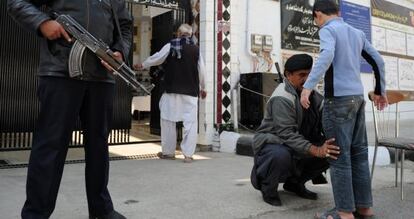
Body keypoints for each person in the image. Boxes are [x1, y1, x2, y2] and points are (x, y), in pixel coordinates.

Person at [7, 0, 132, 218]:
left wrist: (120, 52)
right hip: (60, 72)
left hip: (101, 78)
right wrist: (43, 22)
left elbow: (125, 26)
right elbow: (16, 2)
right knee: (50, 147)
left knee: (98, 147)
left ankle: (101, 210)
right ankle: (36, 214)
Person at [300, 1, 388, 218]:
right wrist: (380, 90)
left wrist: (307, 88)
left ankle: (344, 213)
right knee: (358, 154)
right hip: (358, 100)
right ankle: (364, 207)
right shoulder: (357, 32)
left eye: (316, 19)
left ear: (318, 14)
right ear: (338, 13)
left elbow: (326, 55)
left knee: (338, 157)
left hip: (338, 101)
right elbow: (378, 61)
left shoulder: (327, 30)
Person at [251, 54, 340, 207]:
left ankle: (295, 183)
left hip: (296, 143)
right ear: (288, 75)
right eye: (301, 75)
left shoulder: (313, 96)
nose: (306, 79)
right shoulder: (282, 97)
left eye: (309, 74)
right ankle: (267, 187)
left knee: (334, 148)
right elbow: (286, 134)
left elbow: (327, 120)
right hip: (275, 143)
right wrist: (316, 150)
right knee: (280, 154)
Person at [135, 24, 206, 163]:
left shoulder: (171, 45)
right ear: (190, 35)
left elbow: (157, 58)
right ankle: (188, 155)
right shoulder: (196, 50)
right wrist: (203, 87)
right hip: (190, 91)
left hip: (171, 89)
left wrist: (143, 64)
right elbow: (202, 70)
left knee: (167, 120)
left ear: (179, 33)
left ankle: (168, 152)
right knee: (190, 123)